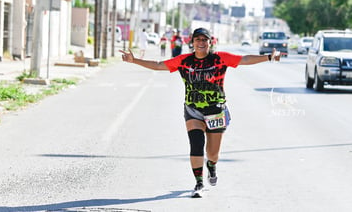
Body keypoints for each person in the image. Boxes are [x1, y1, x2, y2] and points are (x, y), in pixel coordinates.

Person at [119, 27, 280, 198]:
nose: (201, 43)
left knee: (212, 153)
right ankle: (199, 182)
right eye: (198, 40)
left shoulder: (220, 59)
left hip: (216, 111)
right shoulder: (184, 61)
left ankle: (211, 165)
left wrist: (268, 57)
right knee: (196, 144)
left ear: (210, 42)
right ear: (192, 42)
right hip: (193, 109)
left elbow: (245, 59)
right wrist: (134, 60)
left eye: (205, 40)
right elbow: (159, 66)